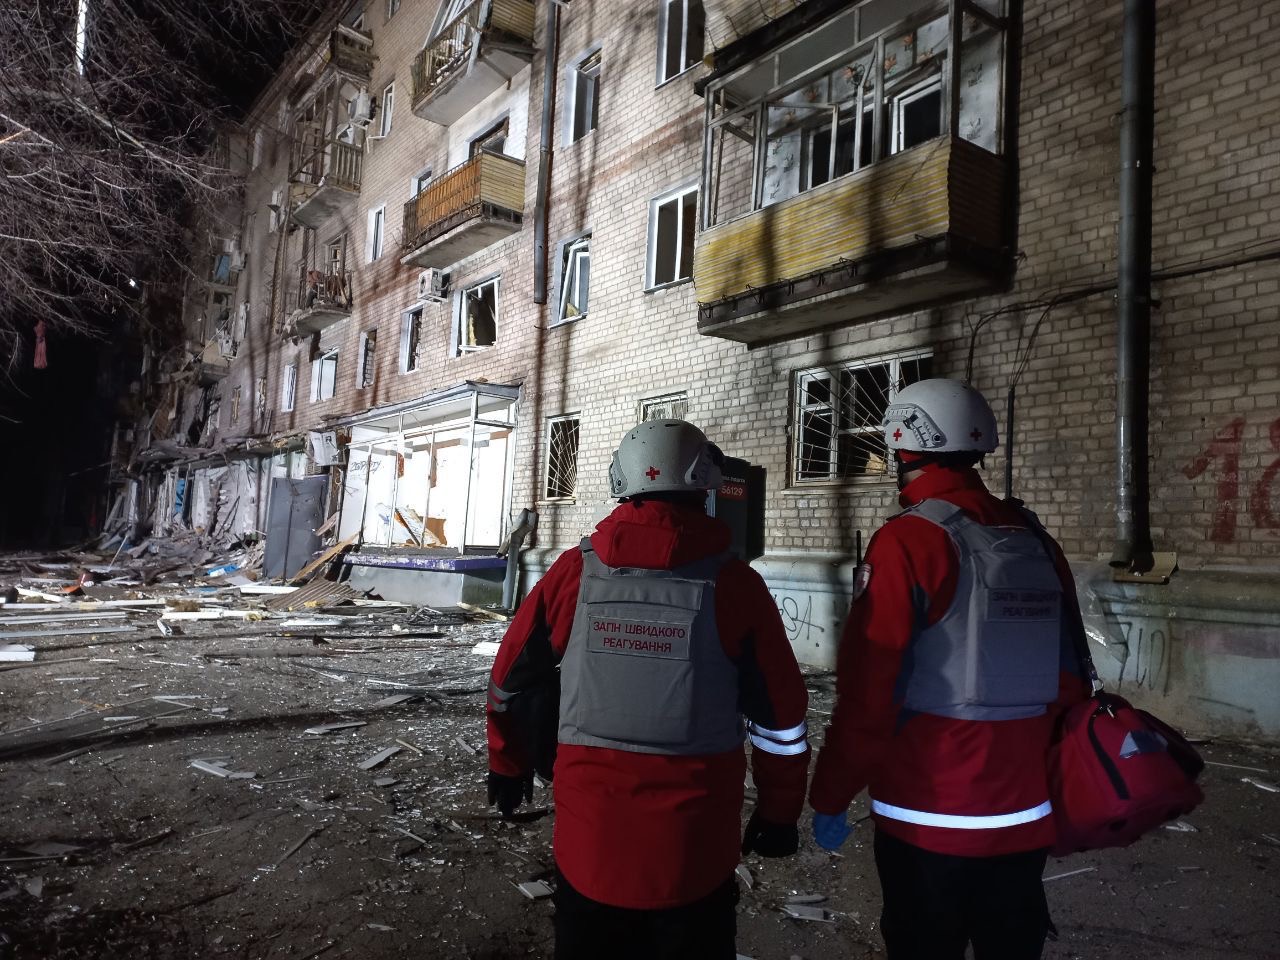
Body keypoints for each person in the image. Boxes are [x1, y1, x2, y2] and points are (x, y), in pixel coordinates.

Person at [487, 419, 810, 960]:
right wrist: (779, 811)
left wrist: (507, 761)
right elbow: (781, 717)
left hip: (590, 847)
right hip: (695, 854)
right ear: (706, 486)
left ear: (622, 481)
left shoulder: (574, 573)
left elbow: (509, 681)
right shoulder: (737, 586)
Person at [807, 379, 1089, 960]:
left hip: (928, 815)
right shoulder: (1035, 539)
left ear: (901, 444)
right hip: (1024, 812)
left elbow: (869, 696)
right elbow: (1071, 678)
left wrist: (831, 792)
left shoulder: (908, 541)